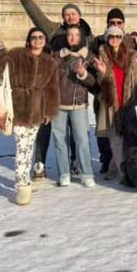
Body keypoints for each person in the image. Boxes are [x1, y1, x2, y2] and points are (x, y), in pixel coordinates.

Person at [11, 0, 93, 180]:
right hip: (53, 86)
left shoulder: (89, 36)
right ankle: (40, 162)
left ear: (79, 16)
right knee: (48, 127)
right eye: (67, 14)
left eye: (73, 13)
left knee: (77, 130)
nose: (70, 16)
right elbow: (37, 18)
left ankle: (75, 162)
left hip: (77, 89)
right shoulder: (55, 30)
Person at [0, 28, 60, 206]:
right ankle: (21, 185)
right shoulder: (16, 56)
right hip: (18, 108)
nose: (37, 40)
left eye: (41, 37)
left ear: (45, 41)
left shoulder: (49, 62)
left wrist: (49, 111)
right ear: (28, 40)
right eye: (33, 37)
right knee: (21, 147)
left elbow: (52, 89)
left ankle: (25, 179)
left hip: (37, 110)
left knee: (29, 147)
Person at [91, 8, 137, 175]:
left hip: (127, 101)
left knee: (125, 138)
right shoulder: (101, 55)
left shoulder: (131, 55)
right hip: (110, 102)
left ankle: (113, 167)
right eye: (111, 36)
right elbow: (98, 83)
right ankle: (124, 173)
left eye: (118, 35)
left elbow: (136, 80)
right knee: (115, 141)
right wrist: (102, 73)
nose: (115, 39)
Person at [52, 26, 96, 188]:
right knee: (59, 139)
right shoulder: (57, 56)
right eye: (69, 34)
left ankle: (86, 173)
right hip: (58, 103)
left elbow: (93, 83)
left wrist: (84, 74)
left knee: (82, 139)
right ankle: (64, 173)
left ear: (81, 38)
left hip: (78, 103)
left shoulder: (88, 57)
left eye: (76, 35)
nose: (72, 37)